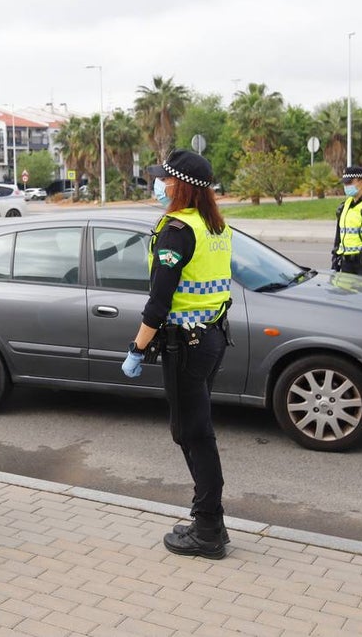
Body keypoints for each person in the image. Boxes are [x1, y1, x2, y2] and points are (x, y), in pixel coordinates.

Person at [121, 149, 233, 560]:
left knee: (192, 433)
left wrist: (137, 347)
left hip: (186, 344)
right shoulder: (214, 226)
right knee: (195, 429)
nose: (156, 185)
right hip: (213, 338)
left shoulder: (177, 230)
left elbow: (159, 302)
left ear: (178, 185)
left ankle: (207, 530)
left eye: (162, 179)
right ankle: (210, 521)